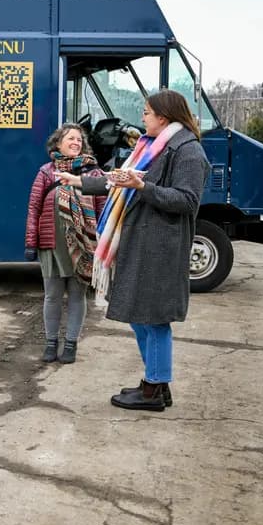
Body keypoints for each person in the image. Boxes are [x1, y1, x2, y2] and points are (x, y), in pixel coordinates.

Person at [57, 90, 210, 412]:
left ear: (163, 118)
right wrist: (77, 181)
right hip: (144, 244)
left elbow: (187, 201)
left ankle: (153, 388)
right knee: (142, 316)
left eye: (146, 113)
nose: (142, 118)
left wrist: (143, 187)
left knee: (152, 319)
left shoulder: (188, 152)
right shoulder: (152, 147)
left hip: (161, 248)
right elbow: (118, 181)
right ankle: (156, 382)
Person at [24, 124, 106, 364]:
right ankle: (51, 343)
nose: (76, 143)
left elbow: (102, 211)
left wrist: (102, 245)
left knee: (77, 296)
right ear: (57, 144)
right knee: (52, 296)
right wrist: (31, 241)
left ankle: (70, 344)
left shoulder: (93, 174)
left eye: (79, 140)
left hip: (82, 246)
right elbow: (34, 209)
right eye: (71, 138)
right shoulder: (46, 173)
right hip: (51, 244)